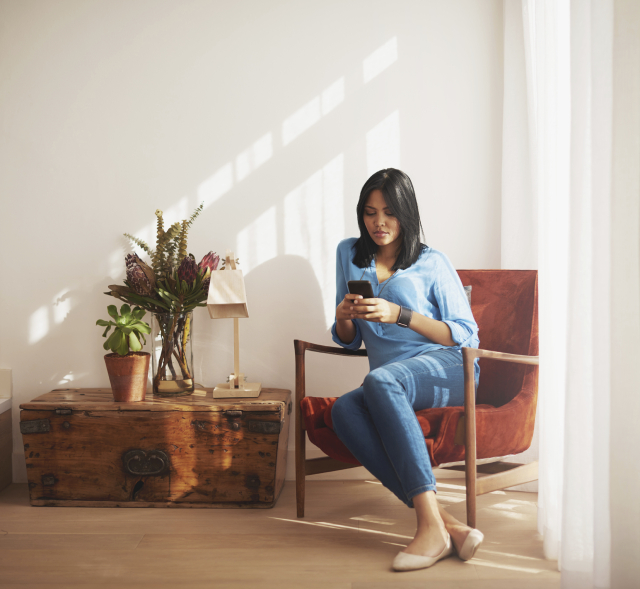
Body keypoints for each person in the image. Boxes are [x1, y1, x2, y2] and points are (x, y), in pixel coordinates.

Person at [330, 168, 484, 572]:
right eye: (369, 212)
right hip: (390, 381)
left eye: (390, 213)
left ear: (406, 213)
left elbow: (467, 335)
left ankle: (430, 528)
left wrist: (400, 315)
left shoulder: (433, 261)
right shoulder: (348, 253)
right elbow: (349, 339)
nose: (378, 223)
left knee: (380, 378)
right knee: (343, 410)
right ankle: (444, 525)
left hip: (449, 367)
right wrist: (343, 315)